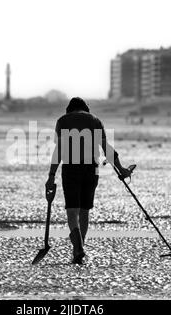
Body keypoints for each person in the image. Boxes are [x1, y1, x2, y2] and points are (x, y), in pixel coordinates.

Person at [45, 97, 132, 264]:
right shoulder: (95, 120)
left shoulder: (62, 121)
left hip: (71, 167)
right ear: (85, 108)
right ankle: (80, 247)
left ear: (69, 110)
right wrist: (121, 169)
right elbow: (107, 148)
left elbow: (60, 150)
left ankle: (78, 248)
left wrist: (51, 176)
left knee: (72, 212)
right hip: (91, 169)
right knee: (84, 211)